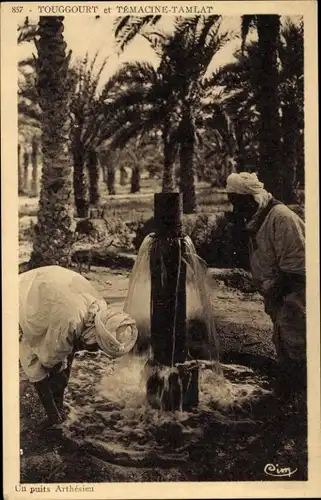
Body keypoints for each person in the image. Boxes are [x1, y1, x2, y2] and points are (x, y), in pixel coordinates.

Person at [19, 265, 138, 428]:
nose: (96, 351)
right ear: (97, 335)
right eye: (98, 347)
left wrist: (62, 375)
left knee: (58, 371)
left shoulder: (98, 310)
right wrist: (55, 418)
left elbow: (70, 344)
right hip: (19, 297)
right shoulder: (70, 322)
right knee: (26, 370)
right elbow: (39, 367)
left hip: (45, 287)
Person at [226, 172, 306, 396]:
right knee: (284, 343)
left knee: (296, 344)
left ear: (251, 200)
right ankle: (292, 395)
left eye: (237, 204)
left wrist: (276, 294)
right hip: (279, 295)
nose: (234, 210)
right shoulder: (257, 219)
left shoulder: (280, 217)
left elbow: (298, 268)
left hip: (293, 293)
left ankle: (300, 400)